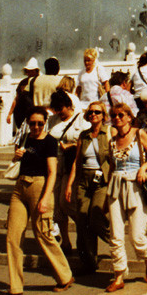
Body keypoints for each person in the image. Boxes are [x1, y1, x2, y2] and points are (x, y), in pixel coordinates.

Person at [1, 107, 73, 295]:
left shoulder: (50, 142)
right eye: (32, 123)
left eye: (40, 123)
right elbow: (18, 162)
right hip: (20, 186)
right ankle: (15, 286)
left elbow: (52, 172)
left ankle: (65, 275)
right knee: (13, 236)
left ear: (45, 123)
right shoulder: (26, 138)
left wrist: (45, 198)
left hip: (40, 186)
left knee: (43, 234)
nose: (36, 127)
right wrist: (16, 157)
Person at [104, 103, 147, 292]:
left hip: (135, 185)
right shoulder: (112, 140)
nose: (117, 118)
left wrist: (143, 168)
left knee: (136, 236)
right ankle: (119, 275)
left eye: (121, 115)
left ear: (129, 117)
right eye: (114, 115)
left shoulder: (139, 134)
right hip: (116, 186)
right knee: (116, 235)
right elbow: (112, 166)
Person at [64, 102, 111, 275]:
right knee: (82, 218)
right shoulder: (84, 136)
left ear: (103, 115)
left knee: (96, 215)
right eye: (90, 112)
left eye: (97, 112)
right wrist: (69, 184)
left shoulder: (109, 134)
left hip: (102, 179)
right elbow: (77, 161)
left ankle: (114, 240)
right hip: (84, 179)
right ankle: (89, 261)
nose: (93, 115)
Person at [47, 90, 87, 256]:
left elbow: (86, 141)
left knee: (66, 203)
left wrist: (70, 146)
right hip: (56, 165)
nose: (59, 113)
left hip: (71, 166)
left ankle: (84, 234)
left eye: (61, 109)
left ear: (69, 106)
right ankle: (66, 241)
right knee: (57, 208)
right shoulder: (53, 120)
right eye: (56, 110)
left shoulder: (81, 119)